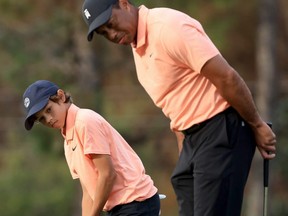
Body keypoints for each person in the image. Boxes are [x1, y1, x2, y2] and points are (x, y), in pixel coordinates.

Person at [81, 0, 277, 215]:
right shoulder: (138, 47)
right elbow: (175, 105)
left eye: (111, 23)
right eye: (103, 32)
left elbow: (226, 77)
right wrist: (186, 152)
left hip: (221, 130)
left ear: (125, 4)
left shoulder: (168, 27)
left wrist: (256, 124)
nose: (111, 34)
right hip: (193, 141)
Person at [22, 80, 160, 216]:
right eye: (41, 119)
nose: (49, 119)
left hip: (137, 203)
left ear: (61, 96)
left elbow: (107, 175)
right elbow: (88, 192)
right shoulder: (68, 141)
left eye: (49, 110)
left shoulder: (84, 121)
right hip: (120, 208)